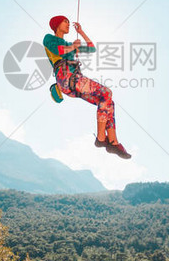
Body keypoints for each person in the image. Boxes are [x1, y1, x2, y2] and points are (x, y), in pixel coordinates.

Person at [43, 15, 132, 159]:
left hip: (73, 83)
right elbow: (58, 50)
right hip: (66, 78)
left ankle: (113, 141)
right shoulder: (49, 38)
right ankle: (101, 139)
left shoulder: (71, 44)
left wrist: (82, 32)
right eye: (65, 21)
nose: (68, 24)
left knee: (108, 102)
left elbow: (92, 49)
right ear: (56, 25)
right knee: (106, 92)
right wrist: (73, 47)